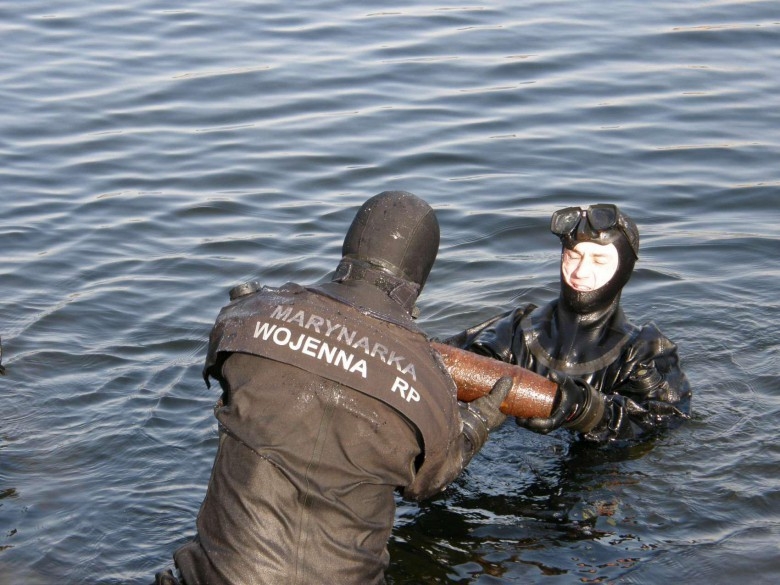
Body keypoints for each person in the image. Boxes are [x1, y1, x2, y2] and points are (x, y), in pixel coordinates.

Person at [154, 191, 510, 585]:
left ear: (348, 247)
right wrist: (477, 422)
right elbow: (429, 483)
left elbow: (221, 364)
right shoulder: (430, 383)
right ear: (420, 275)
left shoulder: (249, 315)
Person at [445, 203, 691, 443]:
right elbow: (448, 364)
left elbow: (666, 421)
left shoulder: (643, 352)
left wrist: (587, 410)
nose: (580, 272)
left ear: (624, 268)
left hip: (594, 468)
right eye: (573, 256)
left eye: (598, 260)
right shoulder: (517, 329)